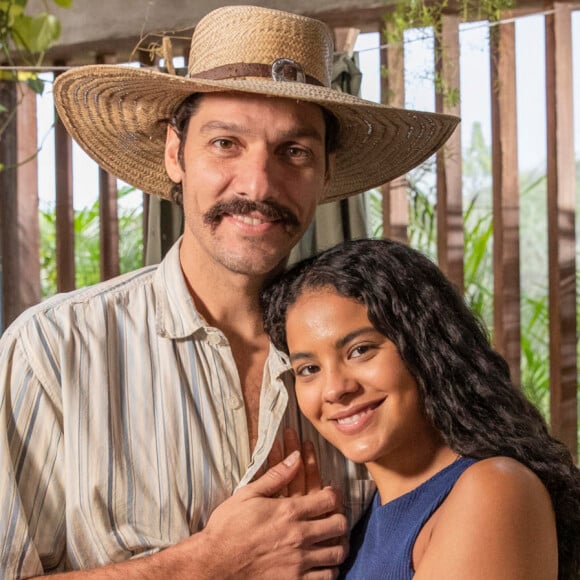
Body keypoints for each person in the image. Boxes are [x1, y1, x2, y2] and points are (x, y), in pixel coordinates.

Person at [0, 5, 459, 579]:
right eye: (225, 143)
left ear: (324, 175)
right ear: (175, 153)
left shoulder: (384, 358)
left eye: (294, 152)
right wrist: (210, 562)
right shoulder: (53, 351)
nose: (258, 185)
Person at [260, 238, 580, 580]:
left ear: (426, 346)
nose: (336, 389)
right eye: (309, 369)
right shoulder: (362, 525)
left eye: (360, 350)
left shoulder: (495, 490)